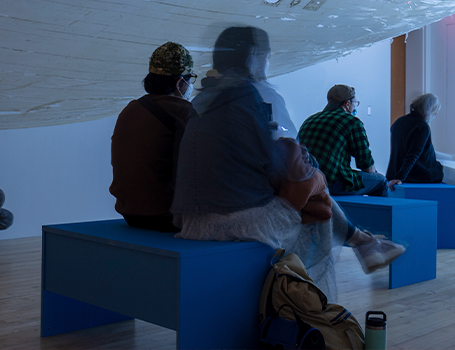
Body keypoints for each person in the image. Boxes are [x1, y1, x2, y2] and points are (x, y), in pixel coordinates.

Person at [171, 26, 403, 301]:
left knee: (313, 193)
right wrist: (312, 174)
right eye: (266, 56)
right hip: (232, 221)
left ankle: (363, 242)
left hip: (190, 219)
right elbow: (286, 165)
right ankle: (311, 303)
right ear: (254, 58)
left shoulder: (203, 99)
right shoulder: (250, 95)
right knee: (318, 207)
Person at [110, 41, 200, 233]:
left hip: (129, 214)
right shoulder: (185, 111)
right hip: (166, 218)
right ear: (179, 82)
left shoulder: (130, 109)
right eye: (190, 79)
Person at [388, 93, 455, 237]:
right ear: (429, 110)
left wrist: (395, 175)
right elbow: (413, 155)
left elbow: (402, 151)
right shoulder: (422, 127)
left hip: (395, 170)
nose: (435, 115)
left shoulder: (398, 122)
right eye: (435, 112)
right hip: (418, 173)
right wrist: (400, 177)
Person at [297, 84, 388, 197]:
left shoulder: (309, 120)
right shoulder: (352, 122)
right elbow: (366, 164)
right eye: (355, 103)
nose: (355, 107)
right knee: (381, 181)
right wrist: (374, 174)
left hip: (306, 180)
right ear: (347, 103)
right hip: (330, 182)